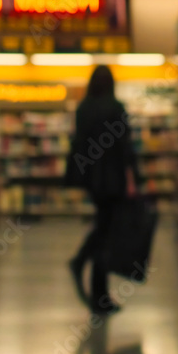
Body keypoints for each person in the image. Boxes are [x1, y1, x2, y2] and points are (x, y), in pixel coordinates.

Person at [67, 65, 141, 314]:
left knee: (102, 226)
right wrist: (131, 180)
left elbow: (78, 144)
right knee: (107, 234)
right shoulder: (116, 108)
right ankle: (99, 294)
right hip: (114, 179)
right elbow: (124, 147)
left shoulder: (83, 108)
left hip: (93, 180)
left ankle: (83, 266)